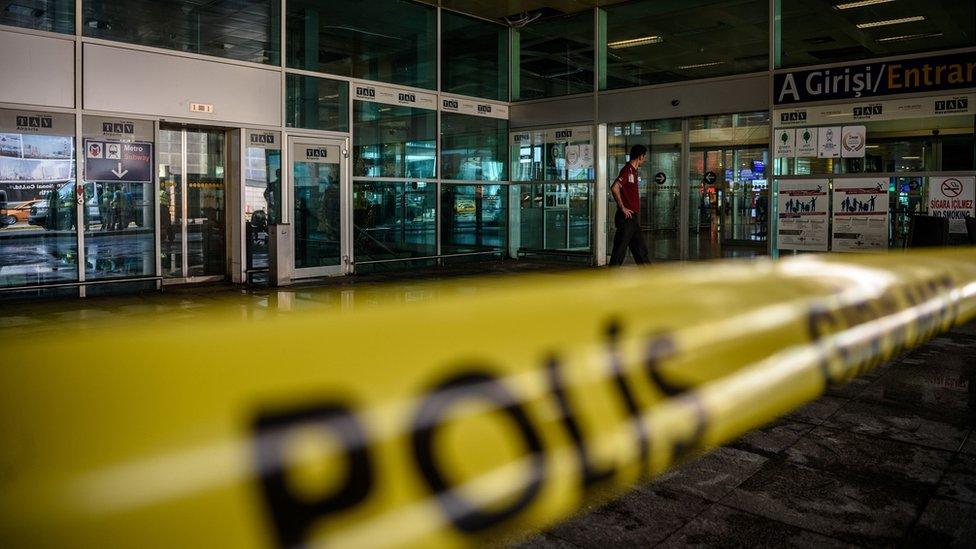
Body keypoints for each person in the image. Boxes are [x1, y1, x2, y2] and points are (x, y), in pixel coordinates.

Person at [609, 144, 650, 266]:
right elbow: (615, 187)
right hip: (626, 218)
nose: (645, 159)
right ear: (641, 156)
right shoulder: (627, 170)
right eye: (645, 156)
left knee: (640, 250)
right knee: (619, 250)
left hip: (632, 218)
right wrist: (622, 208)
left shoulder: (634, 172)